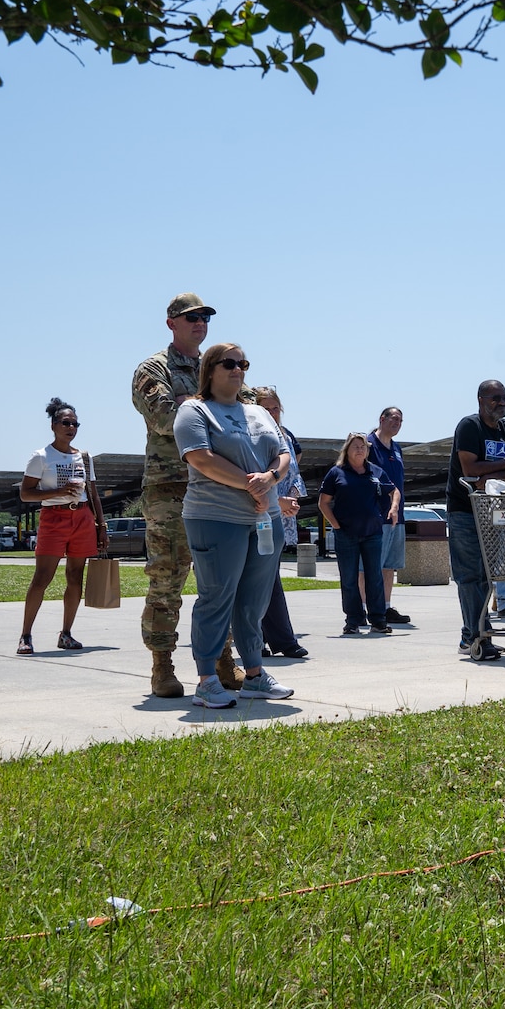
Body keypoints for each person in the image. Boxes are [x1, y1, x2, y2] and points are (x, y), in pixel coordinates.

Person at [175, 343, 296, 706]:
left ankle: (255, 675)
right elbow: (202, 459)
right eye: (229, 363)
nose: (238, 369)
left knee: (253, 602)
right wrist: (251, 483)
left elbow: (284, 452)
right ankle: (206, 679)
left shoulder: (259, 412)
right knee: (216, 597)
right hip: (215, 517)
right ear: (210, 369)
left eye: (243, 363)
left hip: (265, 519)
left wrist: (271, 478)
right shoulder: (194, 410)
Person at [132, 293, 239, 698]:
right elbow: (165, 419)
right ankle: (162, 666)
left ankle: (221, 659)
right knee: (167, 579)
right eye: (190, 317)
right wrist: (208, 408)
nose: (200, 322)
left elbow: (243, 414)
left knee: (220, 582)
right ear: (171, 323)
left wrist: (191, 403)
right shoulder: (153, 368)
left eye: (205, 317)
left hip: (218, 488)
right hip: (171, 489)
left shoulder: (214, 367)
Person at [445, 379, 505, 660]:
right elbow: (469, 469)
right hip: (464, 511)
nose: (501, 403)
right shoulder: (469, 426)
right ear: (480, 399)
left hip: (496, 514)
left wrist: (492, 475)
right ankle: (473, 636)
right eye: (495, 398)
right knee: (469, 575)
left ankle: (479, 632)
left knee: (488, 575)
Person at [17, 397, 105, 654]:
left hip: (83, 517)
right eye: (66, 423)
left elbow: (94, 493)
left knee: (75, 576)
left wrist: (102, 526)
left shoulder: (84, 457)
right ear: (54, 425)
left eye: (76, 424)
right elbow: (25, 493)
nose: (71, 428)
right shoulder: (41, 456)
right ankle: (25, 635)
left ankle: (66, 633)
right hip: (54, 517)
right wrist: (58, 490)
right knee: (42, 577)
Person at [246, 386, 308, 659]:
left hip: (283, 516)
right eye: (266, 408)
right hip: (261, 511)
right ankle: (267, 639)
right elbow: (253, 475)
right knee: (258, 579)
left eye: (275, 408)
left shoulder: (286, 436)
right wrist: (277, 501)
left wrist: (292, 497)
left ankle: (277, 639)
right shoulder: (250, 435)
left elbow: (294, 472)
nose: (272, 413)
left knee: (269, 578)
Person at [320, 433, 398, 635]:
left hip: (373, 533)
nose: (359, 450)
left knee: (375, 577)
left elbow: (394, 490)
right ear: (347, 450)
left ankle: (378, 620)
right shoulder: (336, 473)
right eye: (355, 446)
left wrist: (394, 508)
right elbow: (323, 503)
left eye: (363, 447)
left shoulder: (376, 472)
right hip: (346, 534)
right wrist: (336, 525)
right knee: (349, 578)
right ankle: (353, 620)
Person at [366, 407, 412, 624]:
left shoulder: (396, 448)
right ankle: (368, 607)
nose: (397, 423)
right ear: (381, 419)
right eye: (394, 419)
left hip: (397, 517)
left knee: (389, 565)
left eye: (401, 420)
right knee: (369, 565)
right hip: (376, 515)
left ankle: (385, 607)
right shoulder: (367, 445)